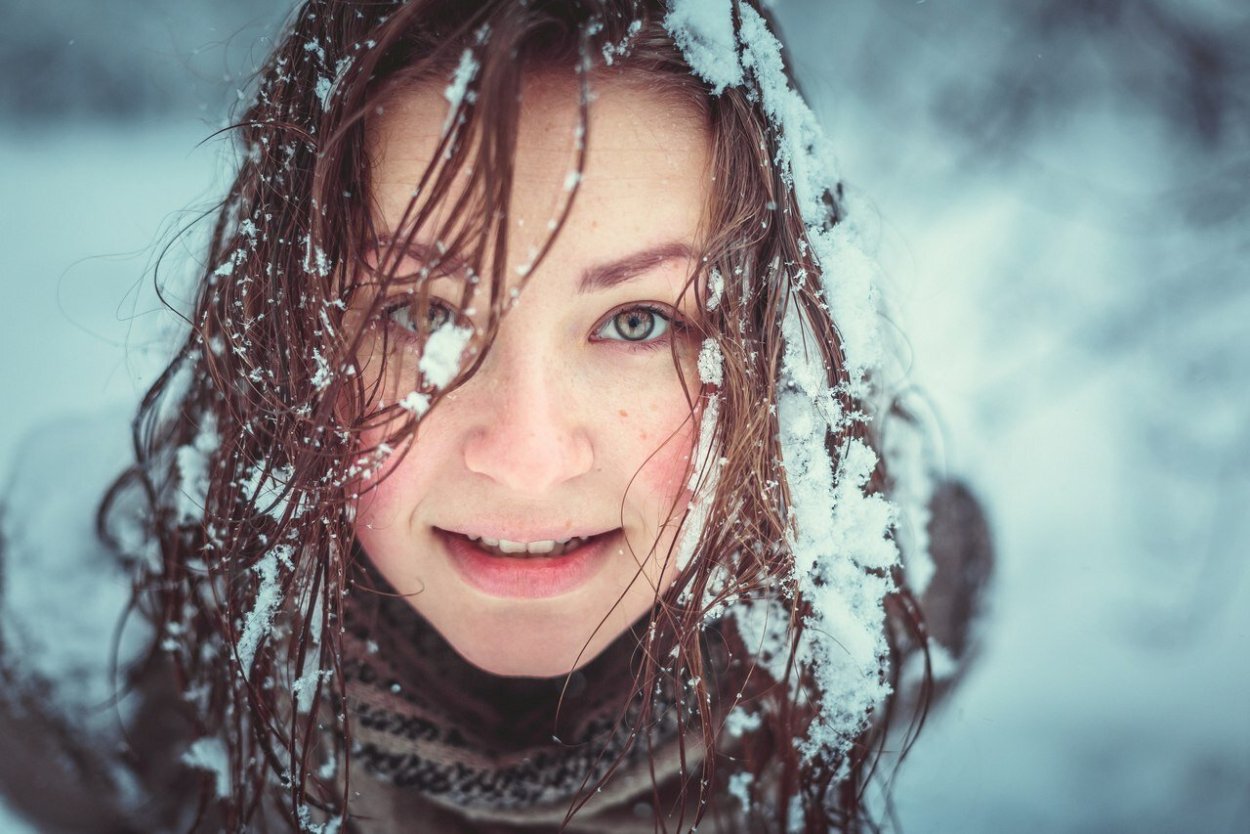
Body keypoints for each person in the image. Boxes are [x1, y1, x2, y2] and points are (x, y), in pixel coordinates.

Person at [0, 1, 992, 832]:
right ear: (286, 340)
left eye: (637, 320)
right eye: (420, 314)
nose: (525, 458)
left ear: (769, 346)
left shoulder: (891, 611)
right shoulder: (96, 693)